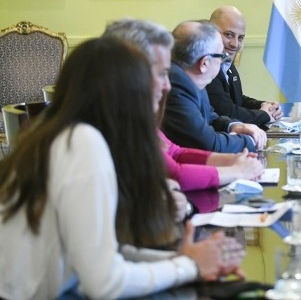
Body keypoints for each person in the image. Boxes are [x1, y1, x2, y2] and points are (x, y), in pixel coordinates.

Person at [0, 37, 243, 298]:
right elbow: (104, 282)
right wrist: (190, 265)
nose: (165, 86)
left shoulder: (64, 133)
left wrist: (183, 257)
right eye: (155, 76)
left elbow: (102, 250)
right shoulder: (82, 142)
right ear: (125, 88)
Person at [102, 18, 265, 191]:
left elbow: (175, 152)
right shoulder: (119, 116)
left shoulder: (134, 110)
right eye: (160, 73)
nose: (166, 85)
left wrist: (231, 160)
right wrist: (236, 171)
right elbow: (176, 173)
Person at [161, 20, 267, 153]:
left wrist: (233, 126)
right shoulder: (176, 84)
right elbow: (209, 144)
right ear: (204, 63)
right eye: (221, 56)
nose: (223, 61)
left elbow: (210, 115)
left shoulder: (192, 77)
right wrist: (250, 141)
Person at [207, 6, 282, 127]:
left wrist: (265, 105)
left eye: (240, 38)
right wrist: (264, 115)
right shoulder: (206, 68)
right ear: (211, 33)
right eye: (229, 35)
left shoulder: (227, 62)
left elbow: (238, 99)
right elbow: (227, 112)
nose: (235, 44)